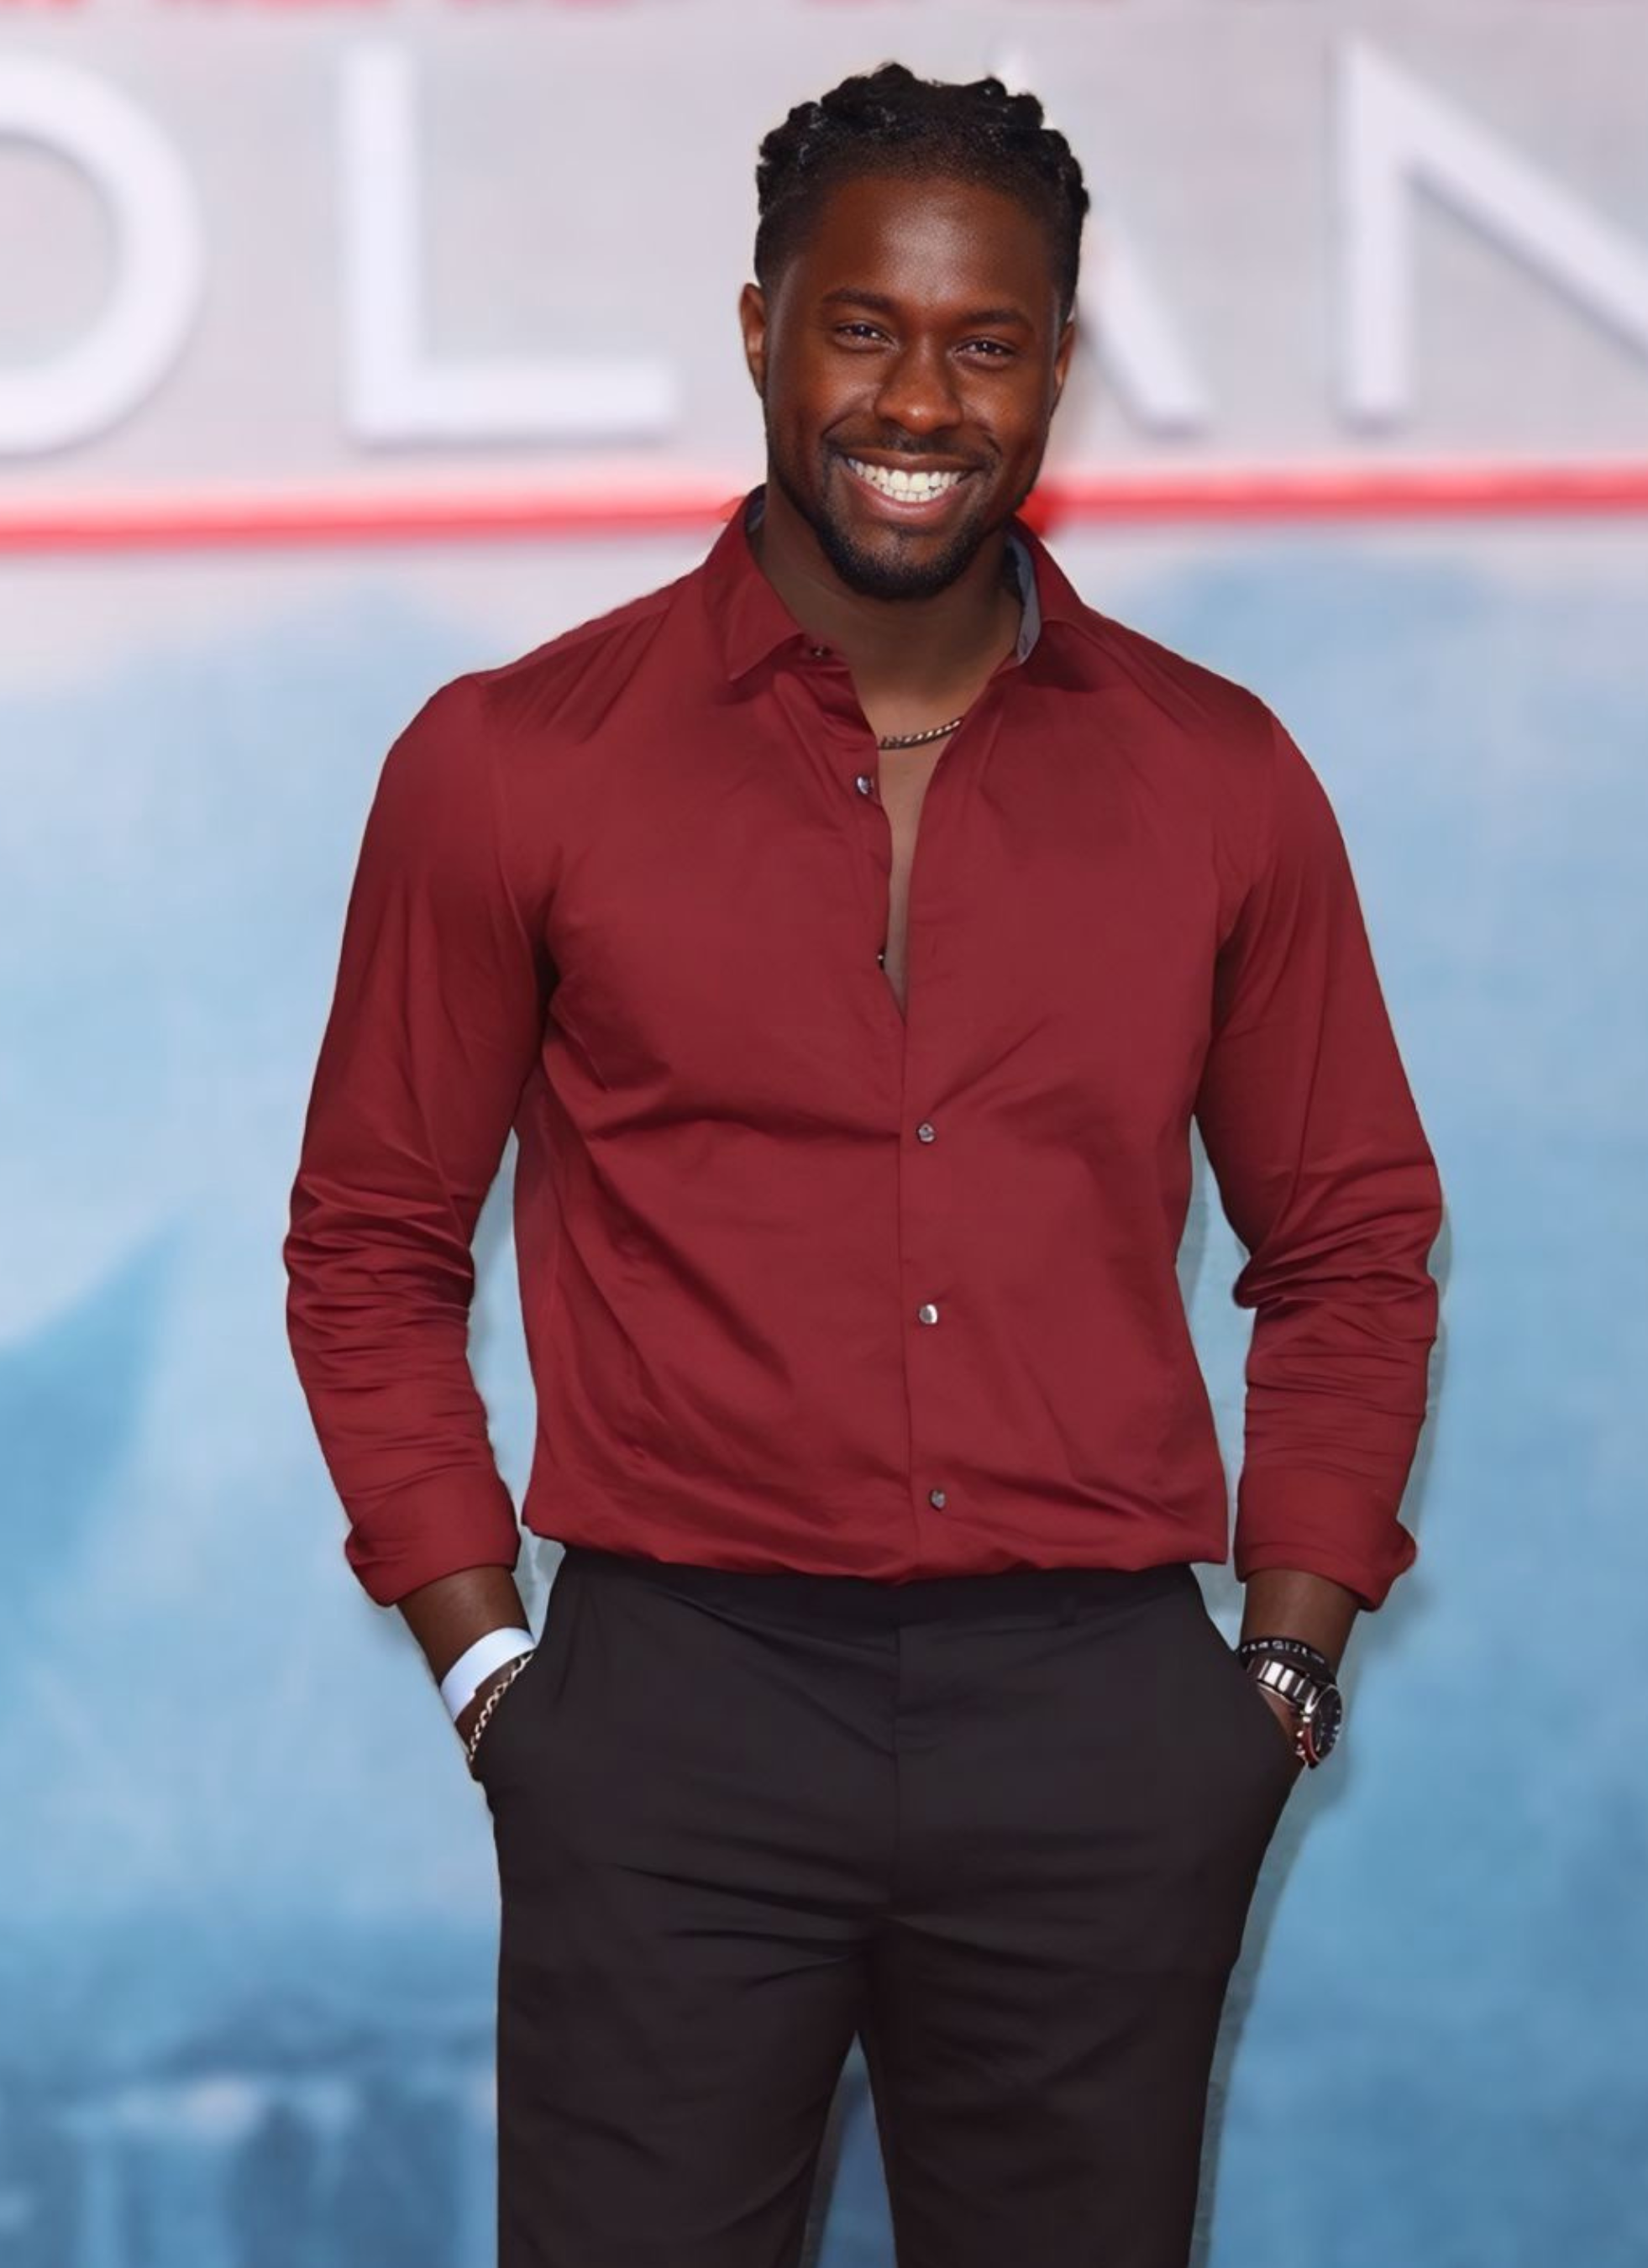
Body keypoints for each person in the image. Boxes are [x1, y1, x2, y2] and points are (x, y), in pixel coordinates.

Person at [282, 60, 1444, 2268]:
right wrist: (486, 1663)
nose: (922, 395)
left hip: (1101, 1722)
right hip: (671, 1719)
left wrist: (1277, 1668)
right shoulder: (513, 763)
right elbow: (365, 1242)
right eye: (863, 328)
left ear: (1059, 373)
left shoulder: (1223, 778)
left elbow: (1360, 1237)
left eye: (986, 343)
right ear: (757, 331)